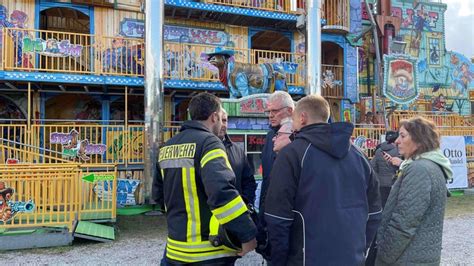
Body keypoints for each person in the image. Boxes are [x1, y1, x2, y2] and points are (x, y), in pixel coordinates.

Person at [264, 95, 382, 265]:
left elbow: (278, 217)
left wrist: (279, 261)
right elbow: (374, 213)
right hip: (351, 258)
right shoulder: (359, 156)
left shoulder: (292, 154)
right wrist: (359, 249)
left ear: (302, 118)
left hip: (306, 259)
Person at [159, 92, 257, 265]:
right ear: (214, 117)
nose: (222, 123)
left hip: (173, 251)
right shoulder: (210, 143)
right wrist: (247, 235)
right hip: (209, 253)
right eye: (221, 118)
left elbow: (159, 197)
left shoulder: (167, 147)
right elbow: (222, 194)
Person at [375, 117, 453, 265]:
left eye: (403, 136)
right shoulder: (427, 166)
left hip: (408, 259)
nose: (397, 141)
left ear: (419, 140)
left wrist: (383, 257)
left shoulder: (419, 169)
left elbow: (403, 224)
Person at [257, 91, 294, 260]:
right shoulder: (270, 135)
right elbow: (267, 179)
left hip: (290, 218)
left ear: (290, 111)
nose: (270, 116)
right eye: (268, 112)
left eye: (275, 111)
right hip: (270, 214)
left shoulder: (297, 136)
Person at [218, 109, 257, 205]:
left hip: (235, 214)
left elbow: (249, 182)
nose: (222, 124)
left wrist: (245, 203)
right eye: (219, 120)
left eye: (225, 120)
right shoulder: (202, 148)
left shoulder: (238, 151)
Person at [370, 131, 401, 207]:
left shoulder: (378, 151)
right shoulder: (397, 151)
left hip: (381, 182)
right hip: (393, 182)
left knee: (383, 204)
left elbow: (373, 166)